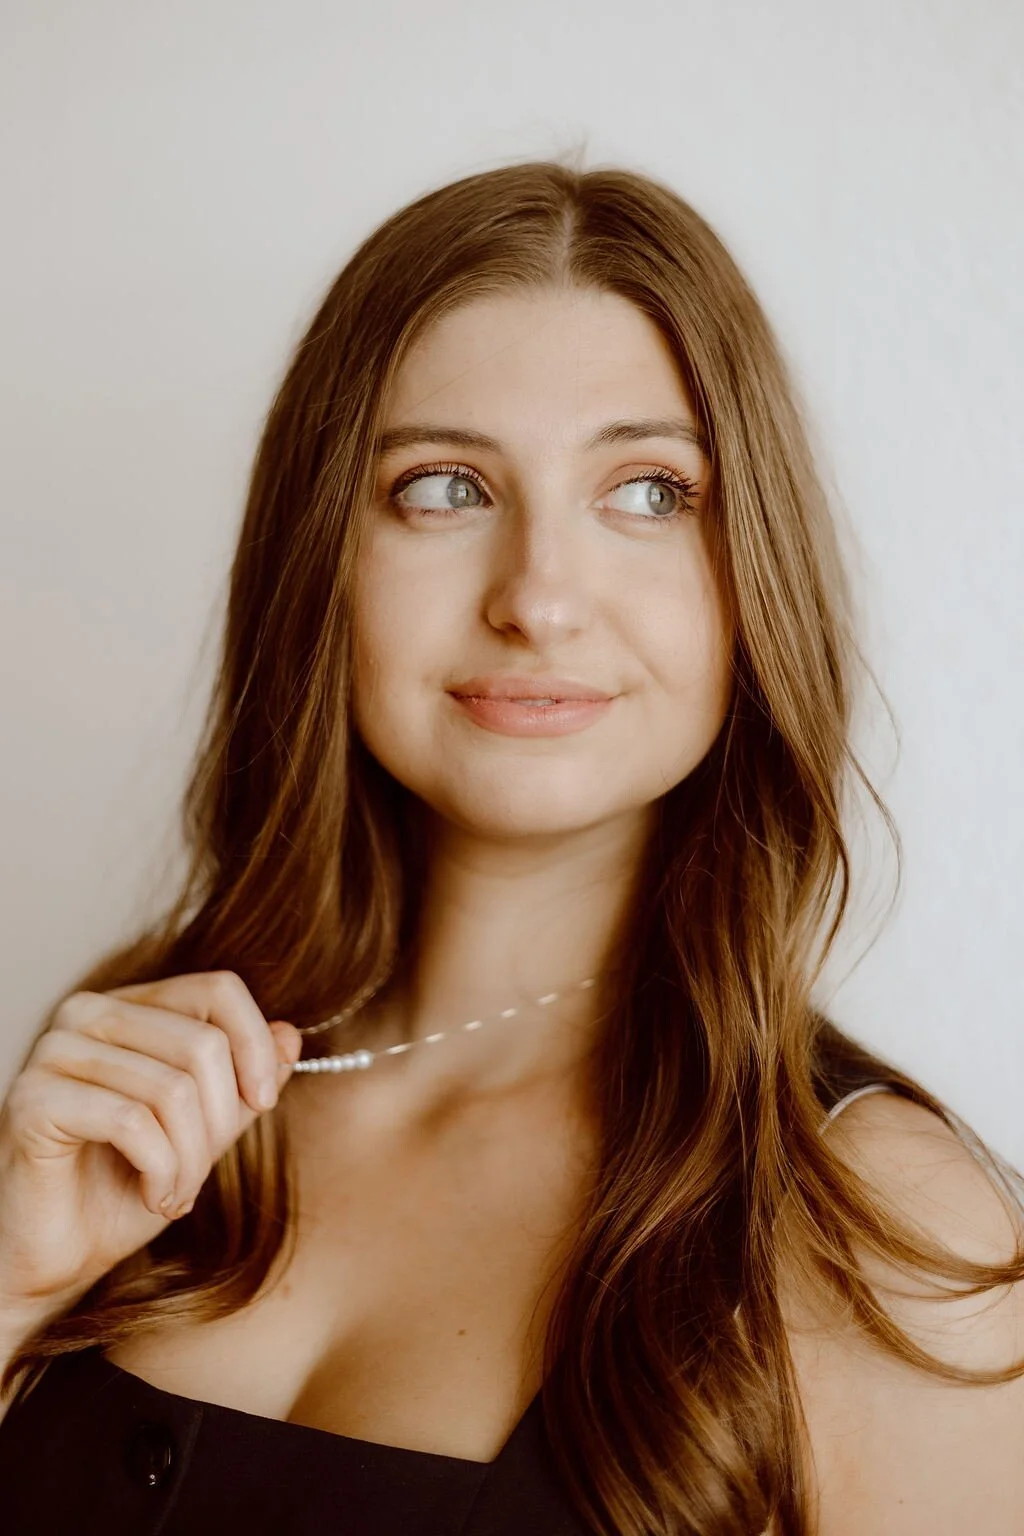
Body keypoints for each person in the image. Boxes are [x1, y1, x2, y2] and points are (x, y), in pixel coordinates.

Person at [0, 157, 1021, 1536]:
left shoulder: (883, 1225)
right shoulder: (136, 1089)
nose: (539, 598)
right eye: (442, 489)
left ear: (750, 574)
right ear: (323, 555)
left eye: (652, 493)